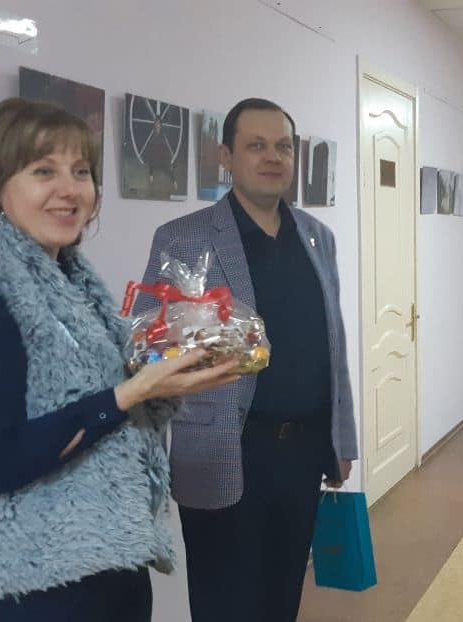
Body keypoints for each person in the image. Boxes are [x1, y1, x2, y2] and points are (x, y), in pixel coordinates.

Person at [0, 98, 241, 621]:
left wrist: (167, 372)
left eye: (81, 171)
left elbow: (98, 404)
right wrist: (132, 393)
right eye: (43, 171)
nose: (70, 189)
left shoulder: (71, 284)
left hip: (105, 570)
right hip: (26, 590)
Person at [137, 97, 357, 622]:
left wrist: (341, 440)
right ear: (226, 157)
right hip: (222, 448)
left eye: (283, 146)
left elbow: (334, 344)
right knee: (224, 603)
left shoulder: (317, 237)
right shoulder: (183, 238)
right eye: (256, 145)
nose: (272, 157)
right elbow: (149, 343)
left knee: (283, 594)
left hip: (303, 452)